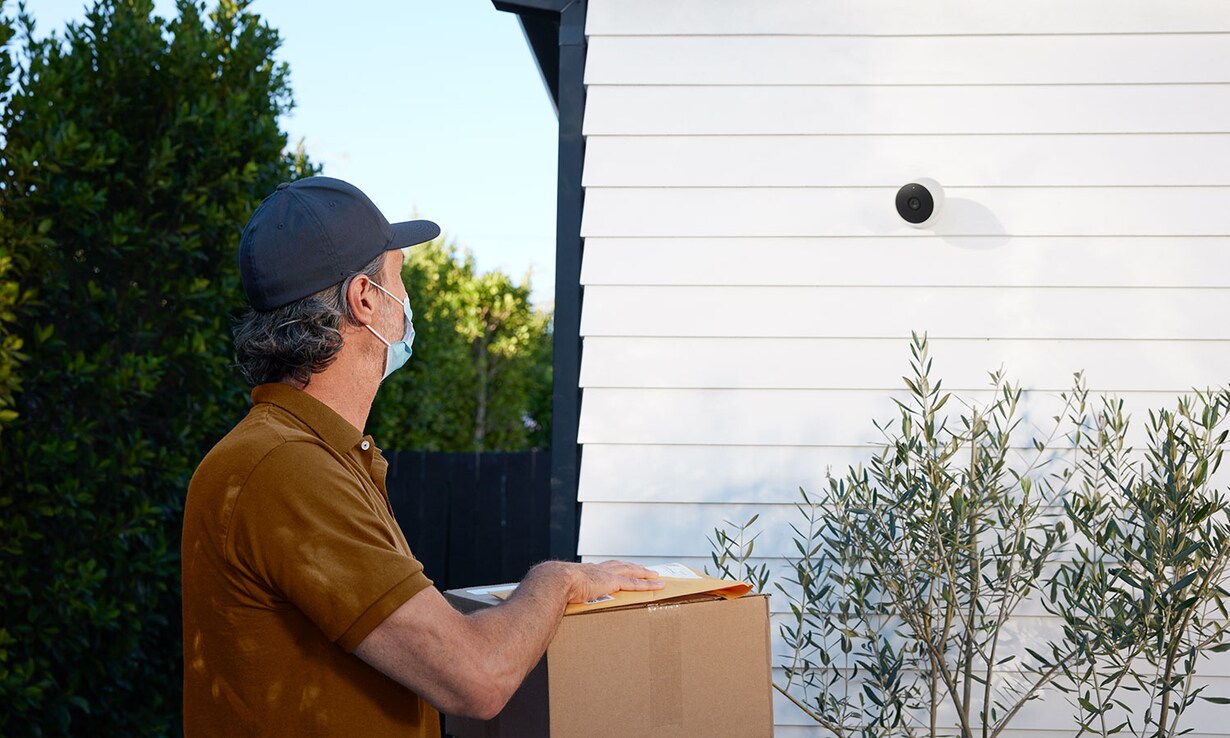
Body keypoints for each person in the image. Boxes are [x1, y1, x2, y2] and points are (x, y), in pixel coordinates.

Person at [181, 176, 662, 737]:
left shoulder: (306, 455)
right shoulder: (286, 468)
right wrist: (558, 581)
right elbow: (476, 678)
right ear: (365, 300)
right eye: (400, 279)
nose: (407, 303)